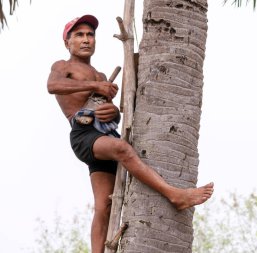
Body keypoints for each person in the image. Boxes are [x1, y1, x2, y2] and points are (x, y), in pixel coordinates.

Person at [47, 14, 214, 253]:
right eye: (79, 35)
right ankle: (174, 195)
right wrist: (95, 87)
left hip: (103, 133)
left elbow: (111, 115)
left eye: (90, 35)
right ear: (68, 43)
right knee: (122, 149)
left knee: (104, 206)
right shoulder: (62, 67)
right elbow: (52, 86)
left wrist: (112, 111)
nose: (86, 40)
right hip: (84, 135)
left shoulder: (101, 76)